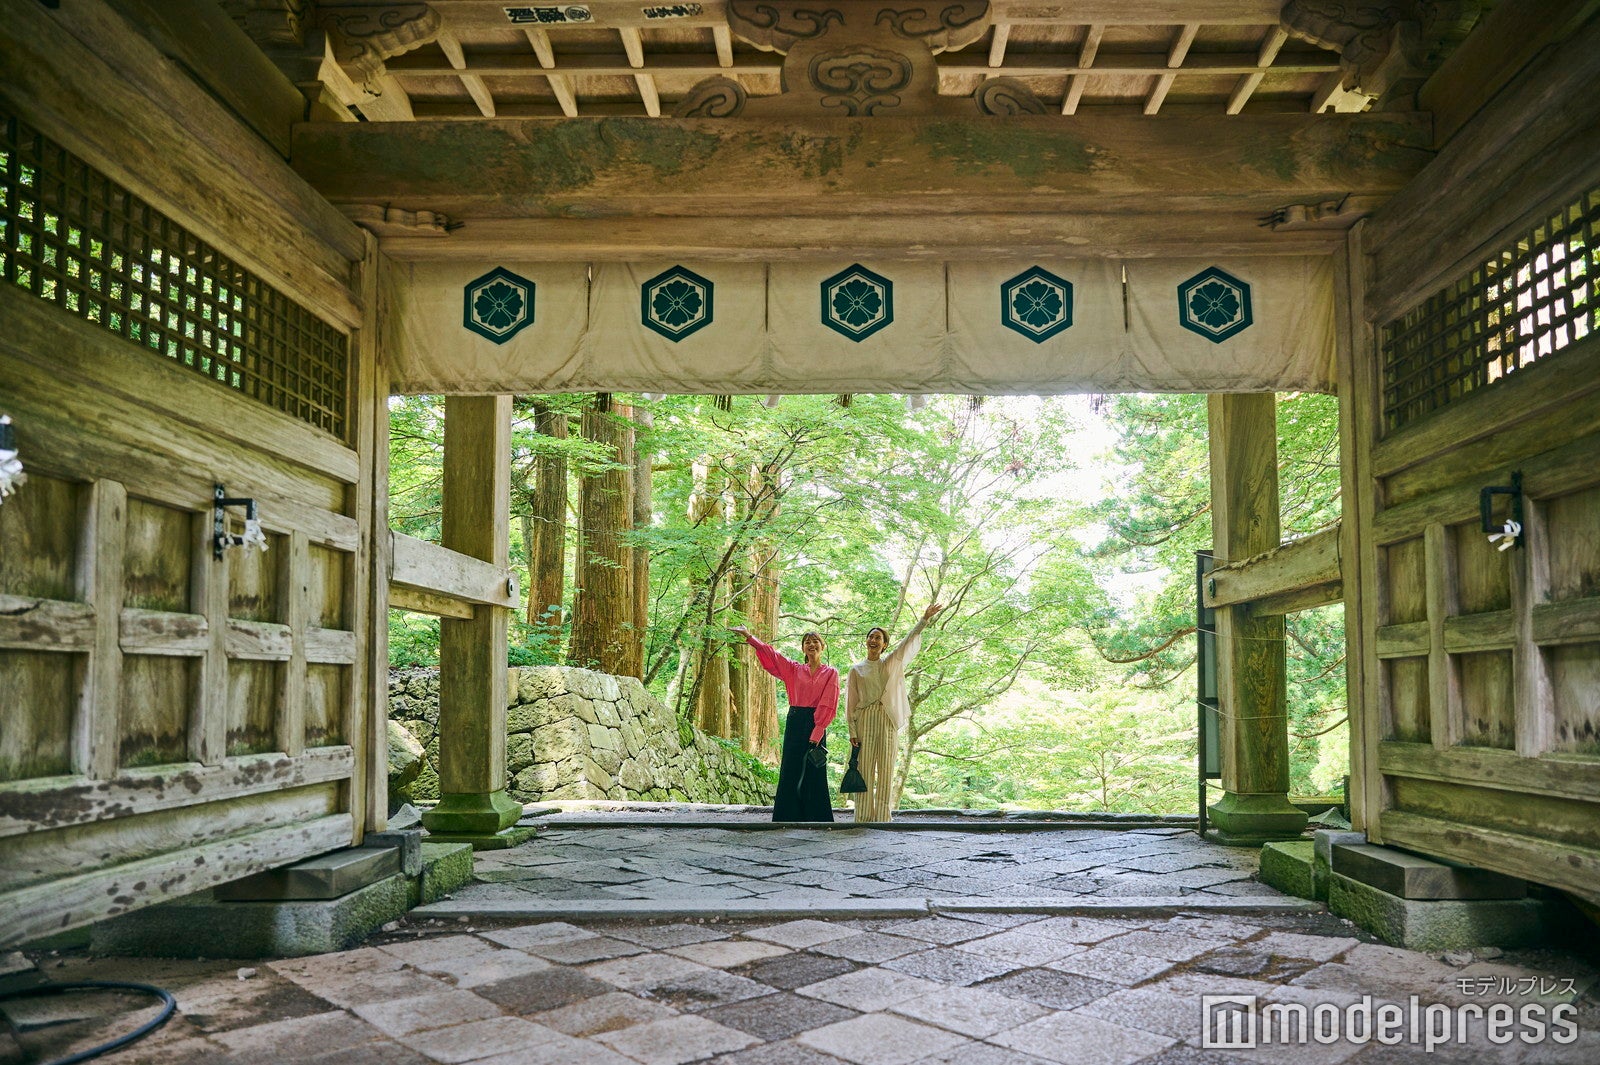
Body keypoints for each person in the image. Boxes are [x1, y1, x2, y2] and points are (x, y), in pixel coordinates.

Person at [846, 602, 944, 823]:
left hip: (887, 718)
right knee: (864, 769)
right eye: (871, 637)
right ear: (866, 641)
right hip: (864, 719)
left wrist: (924, 620)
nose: (873, 640)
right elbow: (850, 703)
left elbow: (907, 641)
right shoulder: (856, 670)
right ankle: (863, 817)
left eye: (878, 638)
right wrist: (852, 730)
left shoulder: (889, 663)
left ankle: (882, 818)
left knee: (886, 768)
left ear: (884, 645)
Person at [730, 624, 838, 822]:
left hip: (817, 721)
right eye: (807, 642)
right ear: (803, 648)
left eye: (815, 641)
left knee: (815, 768)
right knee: (790, 767)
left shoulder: (831, 672)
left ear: (822, 646)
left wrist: (818, 730)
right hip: (795, 719)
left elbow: (829, 702)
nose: (811, 645)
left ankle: (816, 817)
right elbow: (772, 655)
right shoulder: (794, 669)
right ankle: (787, 815)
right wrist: (749, 636)